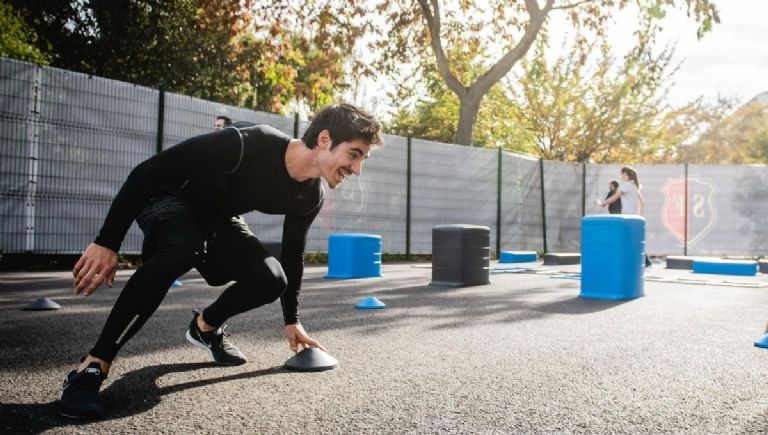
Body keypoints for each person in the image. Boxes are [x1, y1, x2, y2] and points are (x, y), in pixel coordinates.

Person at [58, 103, 383, 419]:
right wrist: (107, 242)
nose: (357, 169)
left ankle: (205, 327)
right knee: (182, 248)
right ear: (324, 139)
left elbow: (293, 255)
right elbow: (147, 172)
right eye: (354, 154)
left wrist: (292, 320)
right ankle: (93, 365)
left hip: (216, 217)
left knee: (272, 279)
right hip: (168, 197)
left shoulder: (309, 196)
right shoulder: (244, 143)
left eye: (363, 159)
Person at [597, 166, 652, 267]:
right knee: (632, 239)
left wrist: (602, 203)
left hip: (627, 216)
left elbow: (615, 197)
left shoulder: (626, 185)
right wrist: (639, 216)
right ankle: (644, 261)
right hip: (632, 216)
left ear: (626, 175)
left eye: (621, 174)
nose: (620, 176)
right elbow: (642, 202)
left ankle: (644, 261)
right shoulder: (634, 185)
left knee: (625, 238)